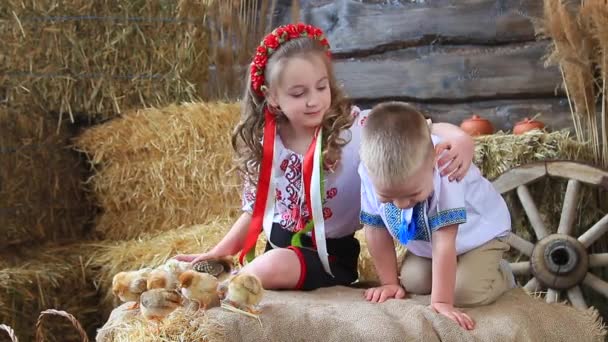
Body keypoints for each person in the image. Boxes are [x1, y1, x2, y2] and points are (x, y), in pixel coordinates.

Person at [176, 24, 475, 291]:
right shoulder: (266, 142)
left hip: (329, 254)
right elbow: (254, 212)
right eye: (298, 93)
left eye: (322, 87)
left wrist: (460, 137)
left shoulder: (355, 129)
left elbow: (417, 127)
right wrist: (218, 252)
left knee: (272, 265)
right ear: (272, 96)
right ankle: (217, 279)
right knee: (271, 261)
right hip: (276, 246)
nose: (313, 100)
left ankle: (227, 287)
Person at [359, 102, 512, 330]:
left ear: (433, 160)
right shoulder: (369, 171)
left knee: (463, 293)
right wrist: (389, 283)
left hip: (478, 234)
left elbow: (445, 241)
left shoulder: (446, 167)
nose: (401, 204)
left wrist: (441, 302)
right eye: (388, 197)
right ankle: (462, 271)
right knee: (412, 281)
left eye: (413, 194)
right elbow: (375, 229)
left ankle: (503, 275)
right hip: (430, 245)